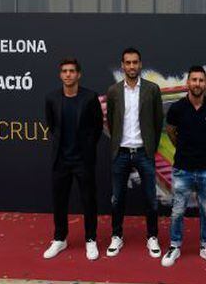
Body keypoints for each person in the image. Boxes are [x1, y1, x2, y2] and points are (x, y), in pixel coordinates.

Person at [161, 65, 206, 267]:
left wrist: (202, 146)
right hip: (182, 169)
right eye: (194, 80)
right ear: (188, 83)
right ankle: (174, 246)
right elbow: (170, 131)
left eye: (201, 80)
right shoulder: (177, 108)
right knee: (178, 211)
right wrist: (182, 147)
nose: (197, 84)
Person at [43, 58, 103, 260]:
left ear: (79, 74)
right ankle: (60, 238)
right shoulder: (51, 98)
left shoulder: (89, 98)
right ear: (60, 75)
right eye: (64, 71)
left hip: (83, 160)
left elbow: (97, 128)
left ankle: (91, 239)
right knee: (59, 201)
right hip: (61, 160)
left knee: (89, 201)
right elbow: (52, 127)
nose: (68, 74)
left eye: (71, 71)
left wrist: (86, 148)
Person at [106, 47, 164, 257]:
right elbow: (112, 122)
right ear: (123, 65)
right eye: (128, 62)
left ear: (140, 64)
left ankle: (152, 237)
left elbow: (158, 122)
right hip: (120, 152)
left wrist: (150, 146)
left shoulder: (152, 89)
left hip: (143, 152)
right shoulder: (113, 91)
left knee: (150, 198)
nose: (131, 66)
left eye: (135, 62)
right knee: (117, 198)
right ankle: (116, 236)